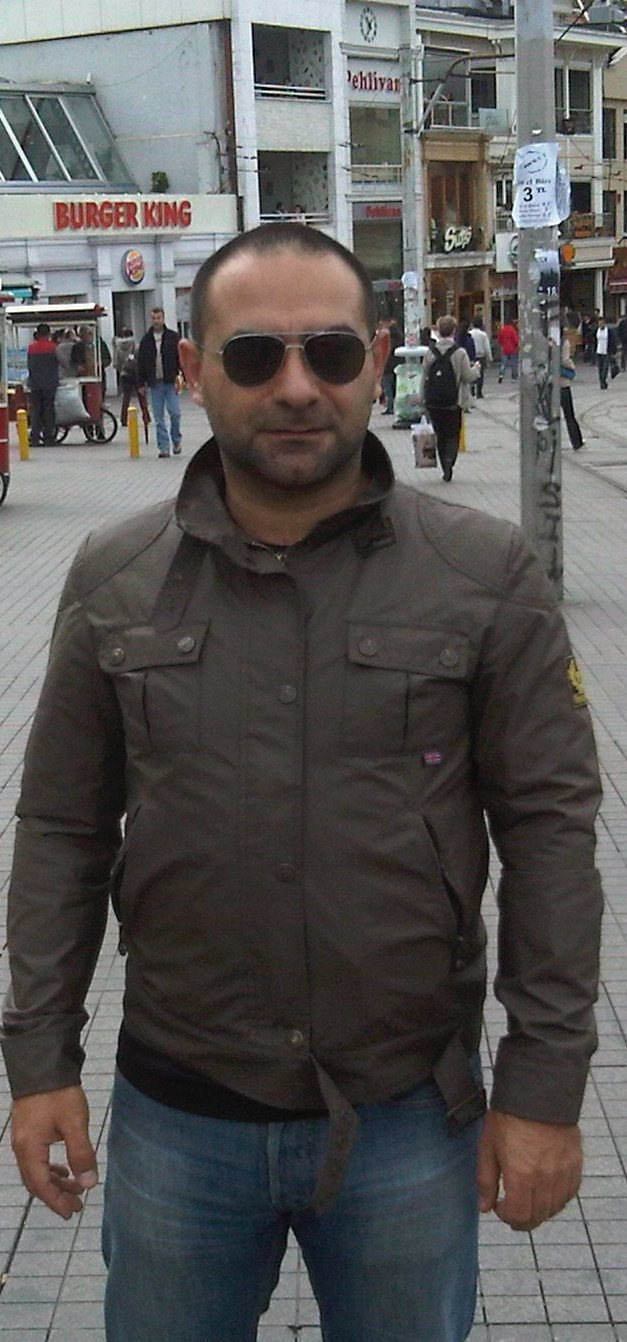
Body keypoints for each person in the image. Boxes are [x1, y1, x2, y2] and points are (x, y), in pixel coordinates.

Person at [2, 224, 603, 1342]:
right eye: (253, 356)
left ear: (375, 361)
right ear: (193, 369)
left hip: (407, 1118)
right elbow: (61, 830)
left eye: (327, 353)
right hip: (178, 1117)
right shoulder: (116, 576)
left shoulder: (483, 576)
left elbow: (552, 836)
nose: (294, 388)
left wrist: (542, 1085)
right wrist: (39, 1061)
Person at [420, 313, 479, 481]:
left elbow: (424, 377)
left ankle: (444, 464)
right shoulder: (459, 353)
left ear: (438, 331)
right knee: (453, 434)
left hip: (433, 402)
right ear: (454, 330)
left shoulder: (430, 352)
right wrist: (477, 369)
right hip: (454, 402)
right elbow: (467, 376)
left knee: (440, 434)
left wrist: (422, 399)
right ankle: (449, 461)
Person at [136, 307, 182, 457]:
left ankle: (176, 439)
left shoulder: (173, 337)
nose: (156, 321)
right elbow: (141, 363)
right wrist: (141, 383)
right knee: (158, 417)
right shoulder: (146, 340)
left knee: (175, 413)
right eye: (154, 318)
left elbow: (180, 357)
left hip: (171, 381)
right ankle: (164, 447)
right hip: (155, 383)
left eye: (159, 318)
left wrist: (183, 376)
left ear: (163, 318)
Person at [26, 321, 59, 447]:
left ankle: (34, 437)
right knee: (49, 410)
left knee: (36, 410)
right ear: (48, 334)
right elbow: (62, 361)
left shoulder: (31, 348)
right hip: (50, 383)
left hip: (35, 384)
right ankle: (48, 437)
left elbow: (29, 365)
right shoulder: (53, 347)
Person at [560, 332, 585, 450]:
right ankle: (576, 441)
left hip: (548, 382)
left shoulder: (545, 340)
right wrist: (572, 366)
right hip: (562, 383)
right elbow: (565, 360)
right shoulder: (563, 342)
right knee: (569, 414)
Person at [381, 317, 402, 414]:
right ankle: (396, 406)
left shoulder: (388, 340)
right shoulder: (401, 338)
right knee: (395, 387)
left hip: (388, 366)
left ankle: (390, 407)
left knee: (387, 388)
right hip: (398, 366)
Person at [468, 317, 492, 398]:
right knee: (480, 375)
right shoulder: (483, 335)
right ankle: (479, 392)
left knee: (471, 373)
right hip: (481, 356)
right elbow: (487, 347)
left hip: (471, 356)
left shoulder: (469, 334)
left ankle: (472, 390)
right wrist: (490, 357)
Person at [595, 316, 617, 390]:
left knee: (605, 369)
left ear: (604, 323)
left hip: (606, 352)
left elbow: (613, 341)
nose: (600, 325)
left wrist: (613, 351)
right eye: (599, 323)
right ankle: (602, 383)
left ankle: (603, 381)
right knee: (600, 369)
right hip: (599, 352)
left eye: (602, 323)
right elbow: (594, 340)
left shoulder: (609, 331)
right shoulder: (597, 331)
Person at [113, 327, 136, 392]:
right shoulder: (135, 346)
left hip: (123, 372)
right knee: (139, 395)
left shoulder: (117, 347)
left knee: (126, 394)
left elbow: (116, 362)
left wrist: (120, 369)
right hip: (134, 372)